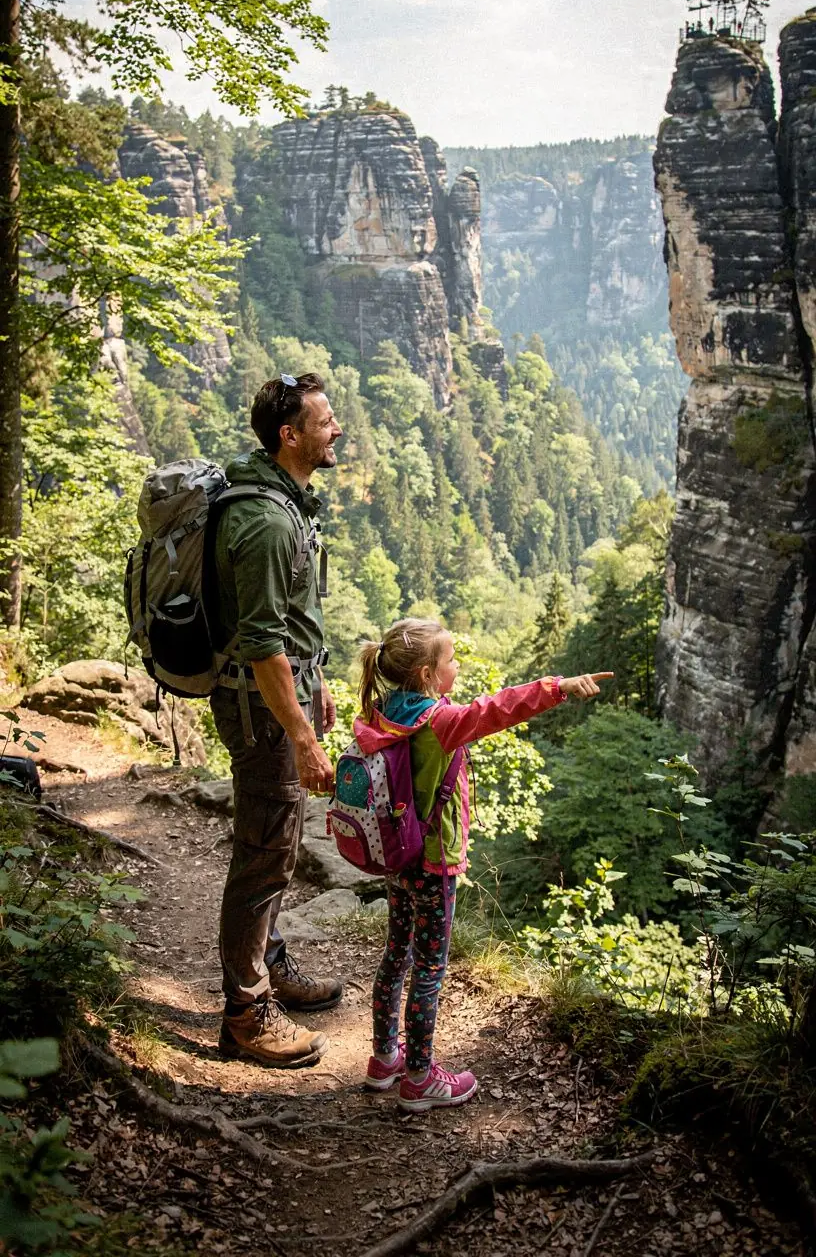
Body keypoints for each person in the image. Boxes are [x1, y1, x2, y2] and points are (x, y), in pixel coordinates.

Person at [354, 618, 612, 1112]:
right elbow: (499, 709)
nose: (458, 666)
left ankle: (385, 1056)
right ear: (429, 674)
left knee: (395, 955)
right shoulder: (441, 722)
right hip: (433, 864)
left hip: (398, 856)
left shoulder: (383, 711)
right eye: (451, 660)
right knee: (429, 967)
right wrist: (557, 687)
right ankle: (420, 1079)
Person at [210, 372, 343, 1069]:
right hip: (259, 709)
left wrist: (312, 684)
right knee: (265, 851)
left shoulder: (284, 499)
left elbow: (289, 625)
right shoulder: (264, 520)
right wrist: (303, 734)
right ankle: (246, 1011)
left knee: (276, 843)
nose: (337, 429)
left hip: (275, 697)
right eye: (326, 421)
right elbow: (262, 645)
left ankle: (272, 962)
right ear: (290, 435)